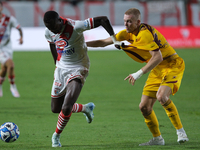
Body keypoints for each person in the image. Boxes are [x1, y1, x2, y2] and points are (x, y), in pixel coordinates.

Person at [86, 8, 189, 146]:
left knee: (161, 97)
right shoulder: (128, 33)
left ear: (138, 22)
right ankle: (157, 139)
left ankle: (181, 132)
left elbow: (158, 56)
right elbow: (104, 42)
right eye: (124, 21)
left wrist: (138, 73)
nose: (126, 24)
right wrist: (81, 45)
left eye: (129, 21)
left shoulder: (144, 34)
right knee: (144, 107)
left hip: (172, 65)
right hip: (156, 68)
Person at [43, 10, 118, 147]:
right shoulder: (49, 31)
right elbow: (51, 43)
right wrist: (56, 62)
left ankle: (56, 137)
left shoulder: (76, 26)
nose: (54, 30)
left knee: (66, 107)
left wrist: (114, 39)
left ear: (60, 20)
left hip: (79, 67)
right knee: (56, 108)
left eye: (55, 27)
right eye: (50, 28)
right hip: (61, 70)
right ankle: (85, 108)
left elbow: (103, 19)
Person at [0, 1, 23, 98]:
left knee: (5, 68)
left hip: (8, 48)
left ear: (2, 7)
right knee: (11, 65)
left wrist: (21, 37)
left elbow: (19, 28)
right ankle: (13, 86)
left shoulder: (9, 19)